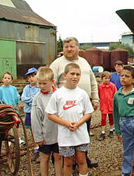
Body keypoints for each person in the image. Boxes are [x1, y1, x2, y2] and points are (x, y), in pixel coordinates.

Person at [50, 37, 99, 168]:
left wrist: (95, 98)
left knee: (83, 132)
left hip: (83, 105)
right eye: (66, 47)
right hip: (65, 108)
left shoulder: (84, 62)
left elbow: (92, 81)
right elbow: (50, 85)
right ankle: (65, 162)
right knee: (64, 134)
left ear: (78, 48)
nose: (69, 49)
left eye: (71, 46)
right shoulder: (57, 64)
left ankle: (83, 159)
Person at [46, 63, 94, 176]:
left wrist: (78, 123)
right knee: (67, 162)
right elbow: (50, 114)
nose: (75, 77)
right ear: (65, 75)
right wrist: (66, 123)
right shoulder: (57, 94)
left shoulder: (82, 94)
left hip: (80, 133)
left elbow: (88, 113)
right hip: (65, 135)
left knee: (81, 160)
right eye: (72, 73)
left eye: (78, 74)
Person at [31, 67, 62, 176]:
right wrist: (38, 136)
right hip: (45, 135)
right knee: (44, 157)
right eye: (40, 83)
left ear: (52, 82)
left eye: (44, 83)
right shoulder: (37, 98)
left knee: (58, 157)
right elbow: (35, 119)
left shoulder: (59, 94)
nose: (42, 86)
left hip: (58, 134)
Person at [21, 67, 40, 160]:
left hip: (38, 112)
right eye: (30, 76)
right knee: (32, 131)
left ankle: (43, 147)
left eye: (34, 75)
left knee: (41, 129)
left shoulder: (40, 87)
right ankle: (35, 147)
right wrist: (33, 100)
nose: (32, 78)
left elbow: (40, 99)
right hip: (29, 112)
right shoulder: (26, 88)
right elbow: (24, 98)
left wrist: (31, 100)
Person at [98, 71, 117, 141]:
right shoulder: (100, 86)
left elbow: (115, 95)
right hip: (103, 105)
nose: (107, 80)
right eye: (105, 78)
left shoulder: (112, 86)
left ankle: (111, 130)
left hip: (111, 105)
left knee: (111, 118)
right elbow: (99, 95)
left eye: (108, 78)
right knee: (103, 119)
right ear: (102, 78)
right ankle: (103, 132)